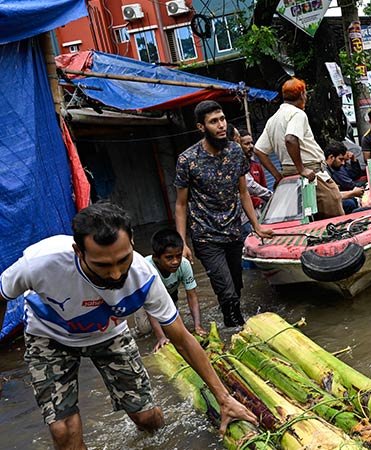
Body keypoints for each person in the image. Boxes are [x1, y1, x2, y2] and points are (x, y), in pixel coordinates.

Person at [0, 202, 257, 449]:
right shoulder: (40, 263)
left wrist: (224, 399)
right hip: (49, 336)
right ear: (79, 252)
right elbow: (1, 295)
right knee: (62, 430)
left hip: (109, 333)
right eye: (102, 265)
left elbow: (182, 339)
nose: (115, 274)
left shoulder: (144, 276)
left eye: (122, 260)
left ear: (132, 242)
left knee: (147, 419)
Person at [175, 100, 273, 328]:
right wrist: (182, 243)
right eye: (213, 122)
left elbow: (243, 192)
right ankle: (238, 331)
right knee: (226, 291)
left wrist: (256, 226)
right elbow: (180, 204)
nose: (220, 125)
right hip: (205, 236)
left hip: (234, 231)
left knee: (237, 286)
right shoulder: (187, 160)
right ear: (201, 127)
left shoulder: (236, 151)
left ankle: (233, 323)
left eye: (222, 119)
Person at [254, 77, 344, 219]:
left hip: (290, 179)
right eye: (305, 94)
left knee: (305, 220)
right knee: (335, 214)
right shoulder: (297, 114)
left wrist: (277, 176)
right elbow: (290, 139)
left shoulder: (273, 119)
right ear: (302, 94)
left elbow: (259, 150)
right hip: (310, 175)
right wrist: (301, 168)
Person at [142, 228, 206, 352]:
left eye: (178, 256)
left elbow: (192, 296)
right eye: (169, 258)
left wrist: (198, 326)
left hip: (170, 294)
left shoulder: (185, 265)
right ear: (156, 258)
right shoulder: (146, 269)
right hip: (143, 300)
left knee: (171, 326)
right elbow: (150, 308)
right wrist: (161, 338)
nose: (175, 261)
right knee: (144, 330)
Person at [324, 142, 365, 214]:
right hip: (329, 204)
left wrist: (353, 160)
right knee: (350, 203)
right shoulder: (325, 172)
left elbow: (355, 175)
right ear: (331, 157)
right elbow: (332, 196)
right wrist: (352, 193)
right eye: (340, 159)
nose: (343, 163)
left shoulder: (337, 167)